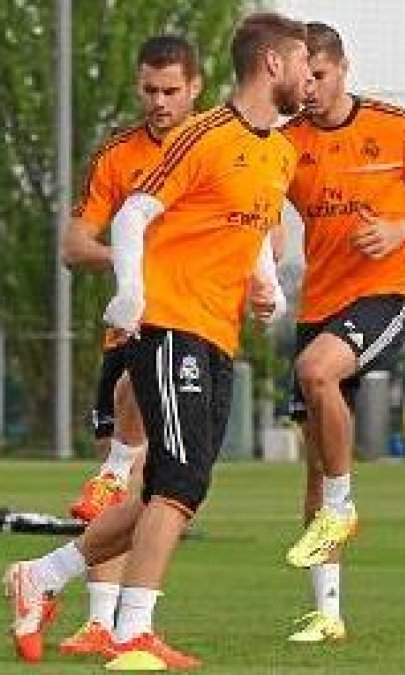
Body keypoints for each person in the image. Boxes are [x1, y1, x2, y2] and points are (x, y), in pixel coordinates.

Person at [4, 12, 311, 670]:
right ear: (275, 66)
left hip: (217, 333)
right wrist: (133, 294)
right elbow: (134, 214)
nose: (312, 80)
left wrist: (271, 289)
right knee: (177, 481)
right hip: (169, 322)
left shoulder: (279, 151)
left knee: (171, 486)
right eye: (305, 65)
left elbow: (253, 227)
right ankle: (131, 632)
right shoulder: (204, 135)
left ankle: (42, 574)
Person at [279, 21, 405, 643]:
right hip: (317, 307)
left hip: (385, 296)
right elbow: (264, 216)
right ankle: (328, 614)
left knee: (316, 372)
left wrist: (397, 230)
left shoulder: (393, 126)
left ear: (342, 68)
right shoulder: (287, 142)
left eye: (319, 77)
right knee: (315, 460)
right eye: (300, 79)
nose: (307, 90)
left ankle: (342, 506)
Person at [55, 34, 202, 658]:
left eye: (171, 90)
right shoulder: (117, 155)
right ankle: (100, 622)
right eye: (150, 89)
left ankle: (126, 622)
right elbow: (74, 245)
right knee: (115, 481)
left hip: (192, 330)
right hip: (129, 332)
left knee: (159, 486)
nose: (160, 101)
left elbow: (267, 242)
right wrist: (136, 254)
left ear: (196, 86)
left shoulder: (220, 149)